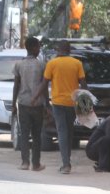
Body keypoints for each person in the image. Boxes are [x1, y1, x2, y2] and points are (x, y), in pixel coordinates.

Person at [33, 40, 86, 174]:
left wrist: (37, 98)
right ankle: (66, 162)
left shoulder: (52, 63)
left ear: (58, 49)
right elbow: (84, 84)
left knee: (62, 132)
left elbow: (44, 84)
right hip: (72, 103)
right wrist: (86, 103)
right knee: (69, 131)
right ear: (69, 50)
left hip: (57, 103)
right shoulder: (77, 63)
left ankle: (66, 164)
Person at [12, 36, 46, 172]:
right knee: (37, 135)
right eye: (38, 46)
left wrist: (13, 103)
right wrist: (47, 104)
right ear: (32, 48)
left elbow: (16, 85)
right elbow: (44, 86)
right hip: (38, 104)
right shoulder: (41, 65)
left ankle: (25, 162)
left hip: (23, 103)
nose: (39, 49)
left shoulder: (19, 65)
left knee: (24, 133)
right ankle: (36, 164)